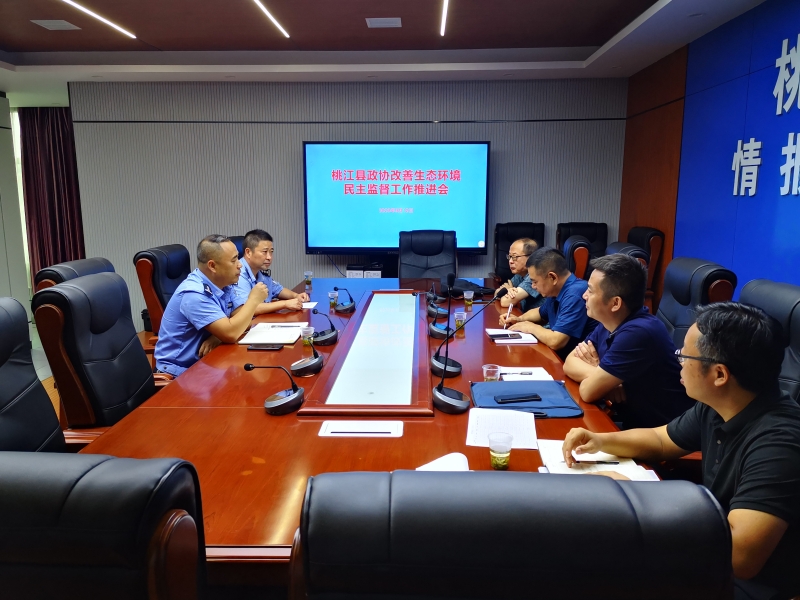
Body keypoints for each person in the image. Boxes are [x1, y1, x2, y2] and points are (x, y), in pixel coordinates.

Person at [563, 303, 800, 599]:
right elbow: (661, 440)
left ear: (719, 374)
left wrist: (638, 494)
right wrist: (599, 441)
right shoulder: (720, 404)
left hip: (748, 583)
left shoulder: (780, 442)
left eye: (685, 356)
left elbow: (741, 559)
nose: (679, 363)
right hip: (706, 551)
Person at [563, 254, 693, 428]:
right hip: (631, 422)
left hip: (662, 433)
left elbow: (587, 391)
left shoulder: (638, 332)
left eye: (591, 291)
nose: (584, 296)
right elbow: (569, 362)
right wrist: (601, 375)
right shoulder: (609, 322)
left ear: (615, 303)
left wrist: (602, 380)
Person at [155, 235, 268, 377]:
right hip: (179, 373)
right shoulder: (194, 294)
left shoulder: (223, 283)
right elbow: (231, 333)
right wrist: (253, 300)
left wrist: (219, 336)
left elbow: (242, 319)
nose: (240, 265)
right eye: (234, 260)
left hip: (209, 361)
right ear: (212, 266)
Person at [500, 247, 597, 360]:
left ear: (552, 277)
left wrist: (530, 327)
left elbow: (556, 341)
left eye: (535, 281)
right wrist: (518, 320)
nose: (533, 286)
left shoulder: (575, 294)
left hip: (578, 362)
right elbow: (540, 313)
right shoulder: (556, 290)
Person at [235, 229, 309, 314]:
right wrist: (284, 304)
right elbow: (246, 309)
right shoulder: (238, 274)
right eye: (265, 252)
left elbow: (278, 289)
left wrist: (296, 296)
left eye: (271, 252)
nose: (269, 257)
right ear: (248, 252)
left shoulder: (259, 272)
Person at [498, 238, 545, 314]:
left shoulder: (535, 275)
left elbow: (505, 302)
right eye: (510, 257)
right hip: (525, 317)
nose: (510, 261)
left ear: (530, 258)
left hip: (541, 321)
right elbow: (497, 294)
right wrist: (508, 290)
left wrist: (508, 290)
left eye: (515, 257)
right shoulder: (520, 274)